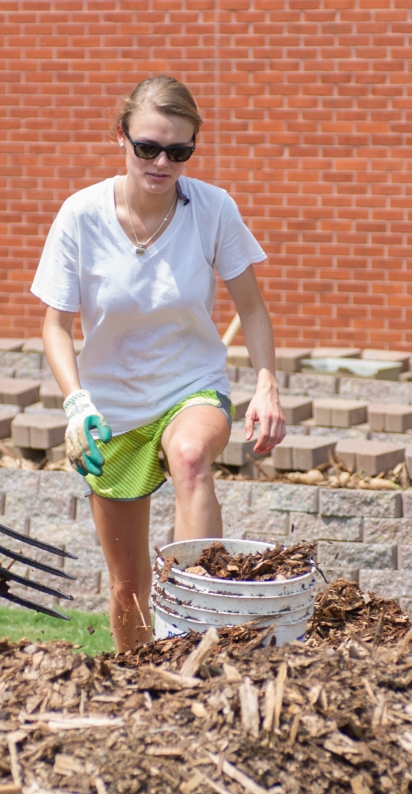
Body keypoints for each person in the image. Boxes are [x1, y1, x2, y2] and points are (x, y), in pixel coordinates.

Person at [32, 76, 286, 653]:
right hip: (109, 411)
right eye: (147, 147)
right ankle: (139, 686)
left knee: (192, 457)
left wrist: (266, 385)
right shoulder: (80, 216)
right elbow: (55, 324)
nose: (162, 162)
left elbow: (253, 308)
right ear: (120, 136)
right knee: (127, 588)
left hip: (190, 387)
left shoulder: (212, 209)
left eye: (179, 151)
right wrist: (77, 405)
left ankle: (198, 629)